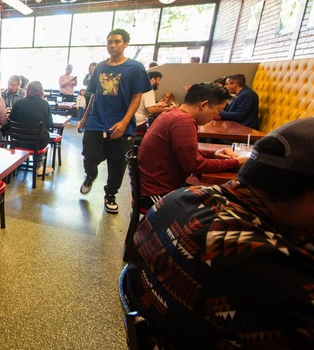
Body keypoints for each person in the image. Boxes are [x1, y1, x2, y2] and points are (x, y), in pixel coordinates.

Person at [126, 117, 314, 348]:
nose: (220, 112)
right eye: (218, 108)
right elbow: (192, 164)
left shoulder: (180, 197)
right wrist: (231, 162)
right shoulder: (266, 270)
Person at [138, 83, 246, 209]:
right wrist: (236, 162)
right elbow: (194, 165)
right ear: (204, 105)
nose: (217, 116)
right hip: (157, 194)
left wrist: (214, 154)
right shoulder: (183, 121)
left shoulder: (173, 114)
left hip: (152, 186)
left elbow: (186, 152)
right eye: (218, 110)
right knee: (224, 208)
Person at [78, 28, 152, 214]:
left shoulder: (135, 68)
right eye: (109, 41)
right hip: (96, 122)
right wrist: (85, 118)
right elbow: (94, 95)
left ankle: (110, 194)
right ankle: (90, 175)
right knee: (90, 156)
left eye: (117, 41)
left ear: (126, 44)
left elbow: (137, 97)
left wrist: (124, 122)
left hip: (122, 124)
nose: (112, 45)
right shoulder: (101, 67)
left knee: (117, 163)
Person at [10, 81, 54, 176]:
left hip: (18, 140)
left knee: (38, 134)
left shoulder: (18, 103)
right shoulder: (45, 104)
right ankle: (38, 166)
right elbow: (50, 125)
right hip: (37, 143)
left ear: (28, 90)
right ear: (41, 91)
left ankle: (17, 162)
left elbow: (11, 121)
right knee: (43, 134)